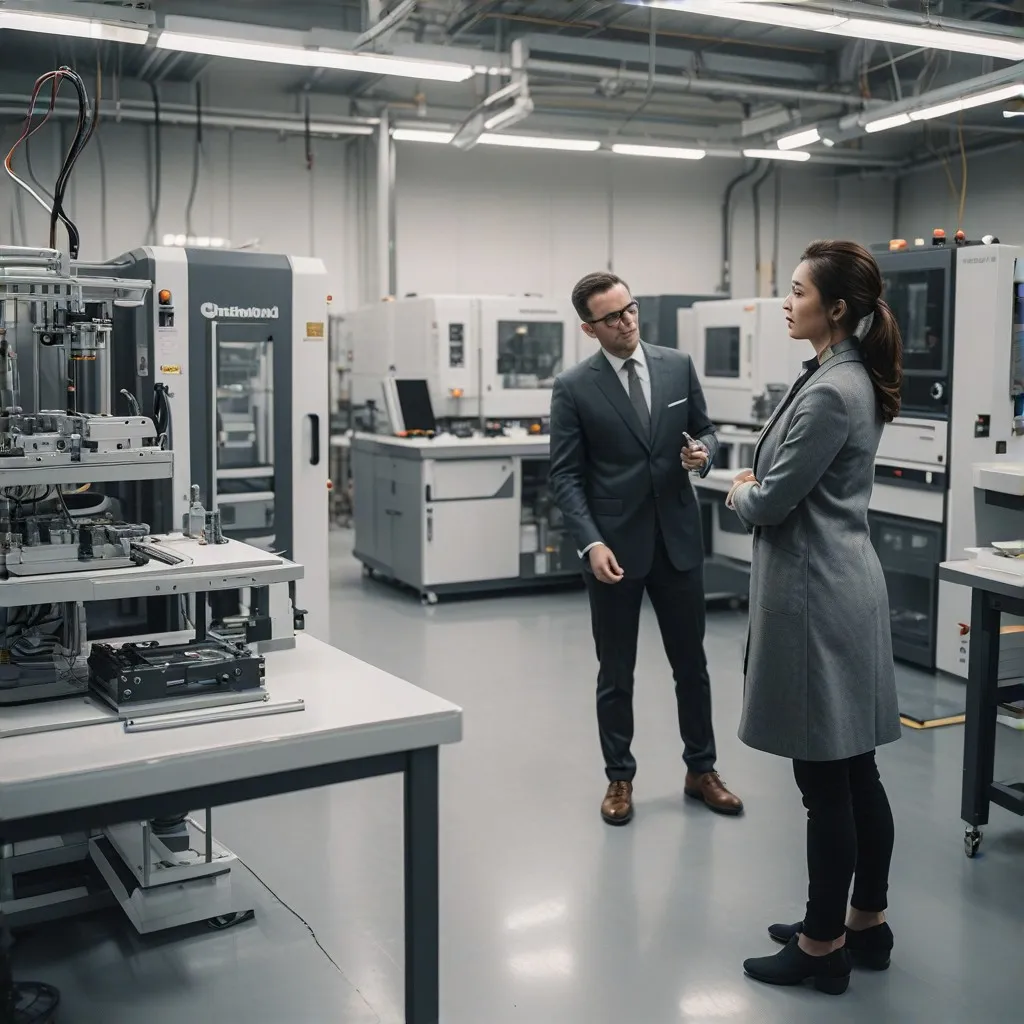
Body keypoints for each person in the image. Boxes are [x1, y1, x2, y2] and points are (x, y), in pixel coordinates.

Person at [727, 240, 902, 995]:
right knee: (855, 768)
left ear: (835, 308)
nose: (788, 301)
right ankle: (865, 922)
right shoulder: (838, 375)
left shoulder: (835, 389)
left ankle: (822, 943)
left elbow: (769, 500)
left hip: (815, 601)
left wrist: (735, 485)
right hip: (839, 587)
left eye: (798, 290)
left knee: (824, 780)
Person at [549, 271, 743, 825]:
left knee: (692, 665)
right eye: (612, 317)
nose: (627, 321)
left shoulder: (676, 364)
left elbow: (706, 430)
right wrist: (590, 543)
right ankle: (619, 778)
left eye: (630, 309)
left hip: (678, 540)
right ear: (589, 328)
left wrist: (701, 455)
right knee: (616, 672)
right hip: (613, 549)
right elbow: (565, 477)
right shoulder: (574, 387)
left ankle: (701, 769)